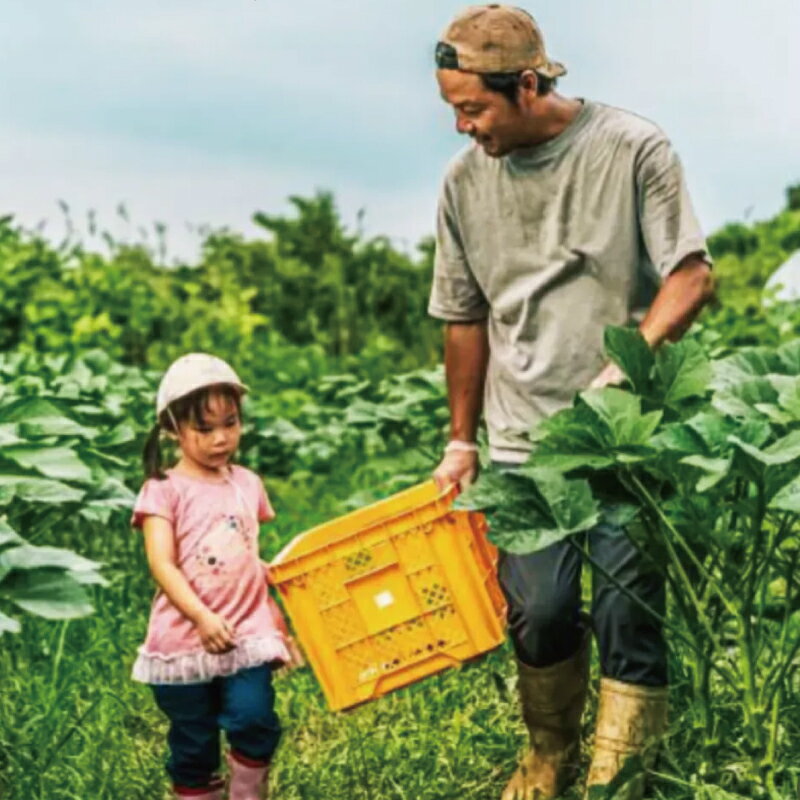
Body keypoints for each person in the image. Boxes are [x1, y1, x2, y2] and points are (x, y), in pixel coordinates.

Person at [429, 6, 714, 800]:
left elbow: (691, 275)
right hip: (524, 439)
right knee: (541, 609)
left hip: (624, 434)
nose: (462, 126)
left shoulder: (631, 147)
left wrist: (629, 365)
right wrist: (461, 441)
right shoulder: (462, 183)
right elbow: (463, 316)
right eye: (453, 109)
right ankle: (549, 750)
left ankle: (624, 773)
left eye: (474, 108)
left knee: (627, 607)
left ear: (526, 85)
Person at [132, 353, 297, 800]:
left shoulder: (247, 483)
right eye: (204, 429)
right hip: (184, 637)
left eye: (230, 423)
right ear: (173, 428)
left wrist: (275, 620)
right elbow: (162, 564)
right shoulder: (162, 490)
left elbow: (246, 555)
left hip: (246, 633)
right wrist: (202, 617)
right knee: (194, 741)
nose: (221, 438)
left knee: (254, 717)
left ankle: (247, 791)